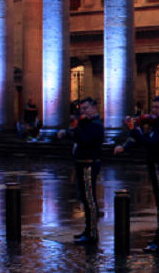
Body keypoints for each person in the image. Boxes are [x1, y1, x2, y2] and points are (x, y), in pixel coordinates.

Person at [115, 95, 159, 254]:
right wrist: (126, 146)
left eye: (157, 107)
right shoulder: (157, 124)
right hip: (155, 165)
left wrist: (134, 131)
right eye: (153, 108)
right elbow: (143, 139)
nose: (153, 111)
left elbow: (151, 143)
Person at [57, 96, 105, 245]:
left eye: (85, 109)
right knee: (84, 197)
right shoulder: (87, 123)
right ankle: (88, 228)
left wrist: (69, 132)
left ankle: (92, 233)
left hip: (88, 164)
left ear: (93, 108)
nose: (82, 112)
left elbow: (83, 139)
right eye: (81, 109)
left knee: (89, 198)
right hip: (82, 163)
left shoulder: (95, 124)